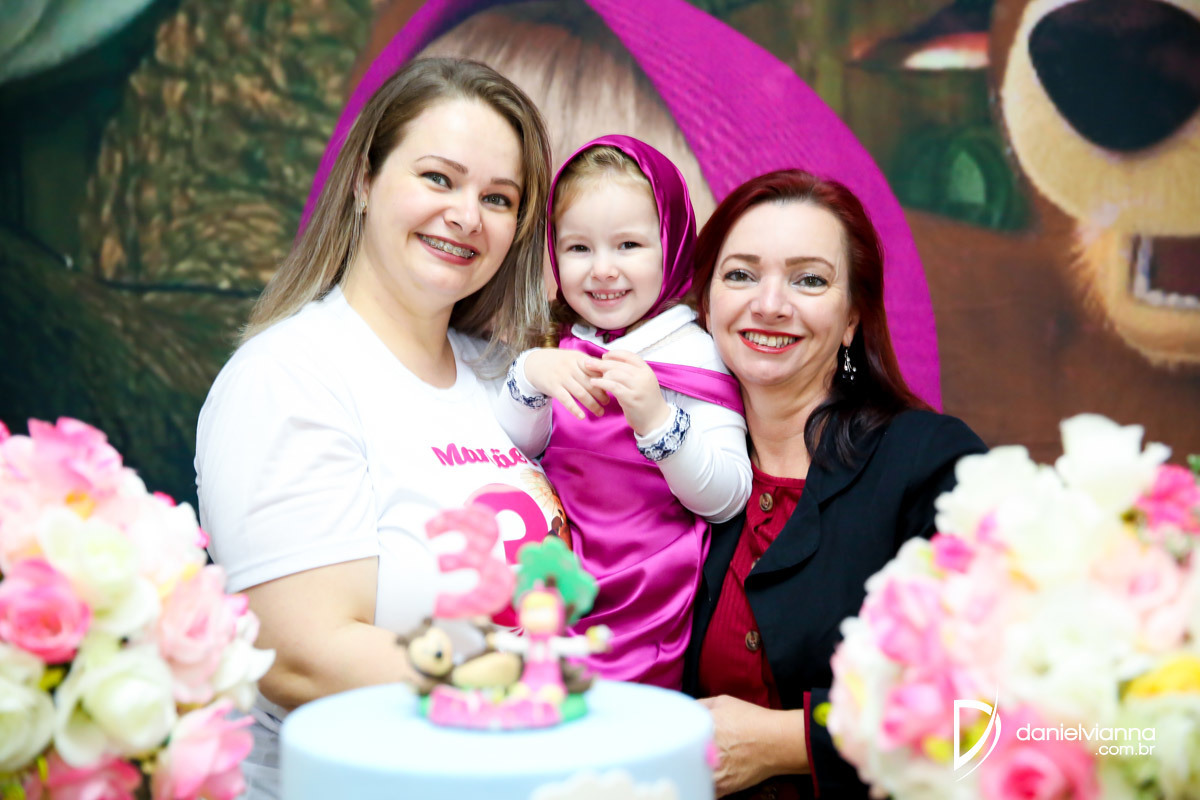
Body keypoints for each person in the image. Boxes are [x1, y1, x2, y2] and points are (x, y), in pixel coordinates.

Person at [194, 57, 557, 798]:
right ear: (364, 180)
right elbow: (303, 659)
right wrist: (540, 690)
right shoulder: (290, 376)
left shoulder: (508, 380)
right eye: (438, 178)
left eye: (498, 197)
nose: (467, 216)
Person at [681, 170, 988, 799]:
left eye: (809, 280)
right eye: (740, 275)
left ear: (852, 318)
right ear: (705, 304)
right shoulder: (674, 464)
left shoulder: (932, 463)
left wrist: (785, 742)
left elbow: (989, 710)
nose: (770, 304)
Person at [494, 135, 751, 690]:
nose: (603, 270)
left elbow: (729, 497)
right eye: (579, 248)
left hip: (648, 601)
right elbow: (520, 450)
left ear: (672, 244)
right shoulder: (563, 343)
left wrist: (659, 423)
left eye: (629, 245)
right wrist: (531, 376)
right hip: (557, 585)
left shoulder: (693, 352)